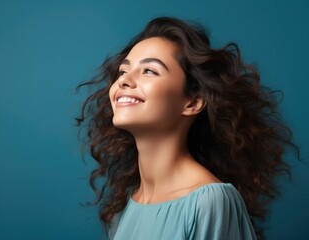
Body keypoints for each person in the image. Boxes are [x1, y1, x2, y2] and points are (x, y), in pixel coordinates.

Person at [76, 17, 299, 239]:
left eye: (149, 71)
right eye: (123, 71)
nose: (124, 81)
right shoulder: (125, 207)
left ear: (192, 102)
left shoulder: (210, 203)